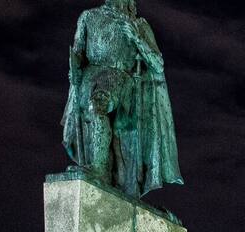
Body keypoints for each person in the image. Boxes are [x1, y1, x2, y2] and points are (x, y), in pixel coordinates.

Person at [62, 0, 182, 198]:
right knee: (93, 107)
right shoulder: (88, 17)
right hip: (90, 78)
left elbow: (157, 64)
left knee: (97, 105)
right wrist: (73, 68)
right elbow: (78, 53)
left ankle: (99, 170)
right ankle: (103, 168)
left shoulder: (138, 24)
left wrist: (136, 38)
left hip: (120, 78)